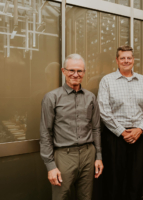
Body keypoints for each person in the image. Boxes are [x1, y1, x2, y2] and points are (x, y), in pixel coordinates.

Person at [40, 54, 103, 200]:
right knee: (61, 197)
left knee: (86, 197)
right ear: (63, 71)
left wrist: (98, 157)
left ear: (84, 72)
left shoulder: (90, 97)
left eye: (79, 71)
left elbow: (96, 129)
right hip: (64, 156)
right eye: (71, 70)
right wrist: (50, 166)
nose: (76, 74)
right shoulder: (51, 98)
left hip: (88, 154)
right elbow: (45, 133)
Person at [97, 45, 143, 200]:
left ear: (133, 60)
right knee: (114, 182)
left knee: (136, 182)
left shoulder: (142, 80)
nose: (126, 61)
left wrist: (140, 129)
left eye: (129, 58)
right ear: (117, 60)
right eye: (122, 58)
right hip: (115, 138)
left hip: (139, 137)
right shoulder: (107, 81)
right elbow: (104, 110)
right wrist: (122, 131)